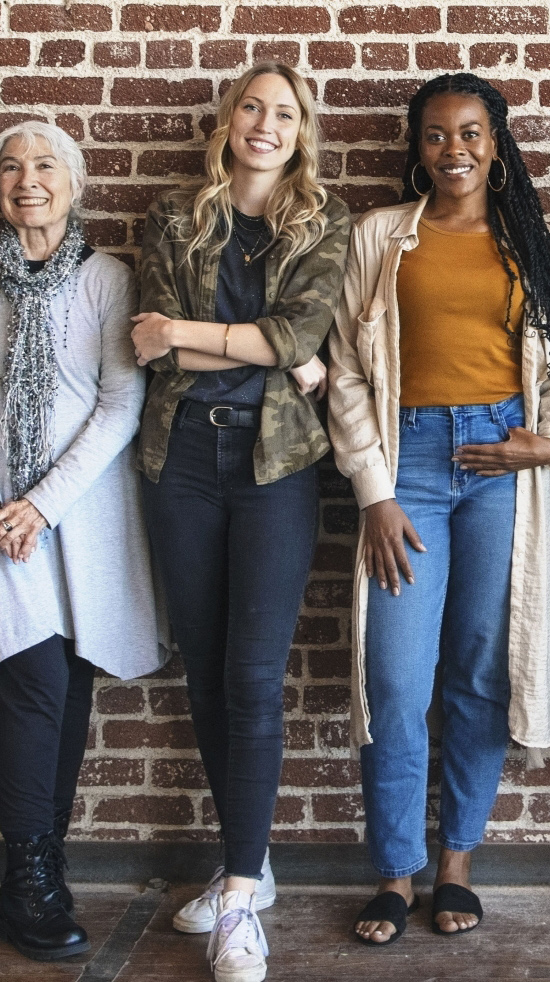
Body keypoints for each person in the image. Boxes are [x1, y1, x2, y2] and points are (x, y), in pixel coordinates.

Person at [327, 72, 550, 945]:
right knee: (396, 679)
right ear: (417, 146)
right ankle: (394, 873)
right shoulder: (377, 237)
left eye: (471, 133)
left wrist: (548, 443)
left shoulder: (535, 241)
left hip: (502, 468)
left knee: (479, 669)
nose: (454, 151)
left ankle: (456, 864)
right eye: (436, 136)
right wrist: (375, 491)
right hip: (410, 466)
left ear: (496, 141)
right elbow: (348, 372)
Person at [129, 62, 350, 982]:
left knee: (255, 678)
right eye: (252, 108)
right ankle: (242, 872)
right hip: (180, 463)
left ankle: (240, 898)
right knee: (207, 674)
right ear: (225, 121)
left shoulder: (322, 222)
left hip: (274, 469)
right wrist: (258, 347)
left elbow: (299, 338)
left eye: (284, 113)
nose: (266, 124)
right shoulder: (171, 220)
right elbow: (143, 339)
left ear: (303, 131)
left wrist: (192, 330)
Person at [0, 120, 163, 962]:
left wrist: (43, 503)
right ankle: (25, 881)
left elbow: (119, 403)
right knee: (30, 683)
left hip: (80, 520)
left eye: (46, 166)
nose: (28, 180)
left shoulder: (108, 280)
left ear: (77, 182)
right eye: (12, 168)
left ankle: (43, 866)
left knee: (66, 686)